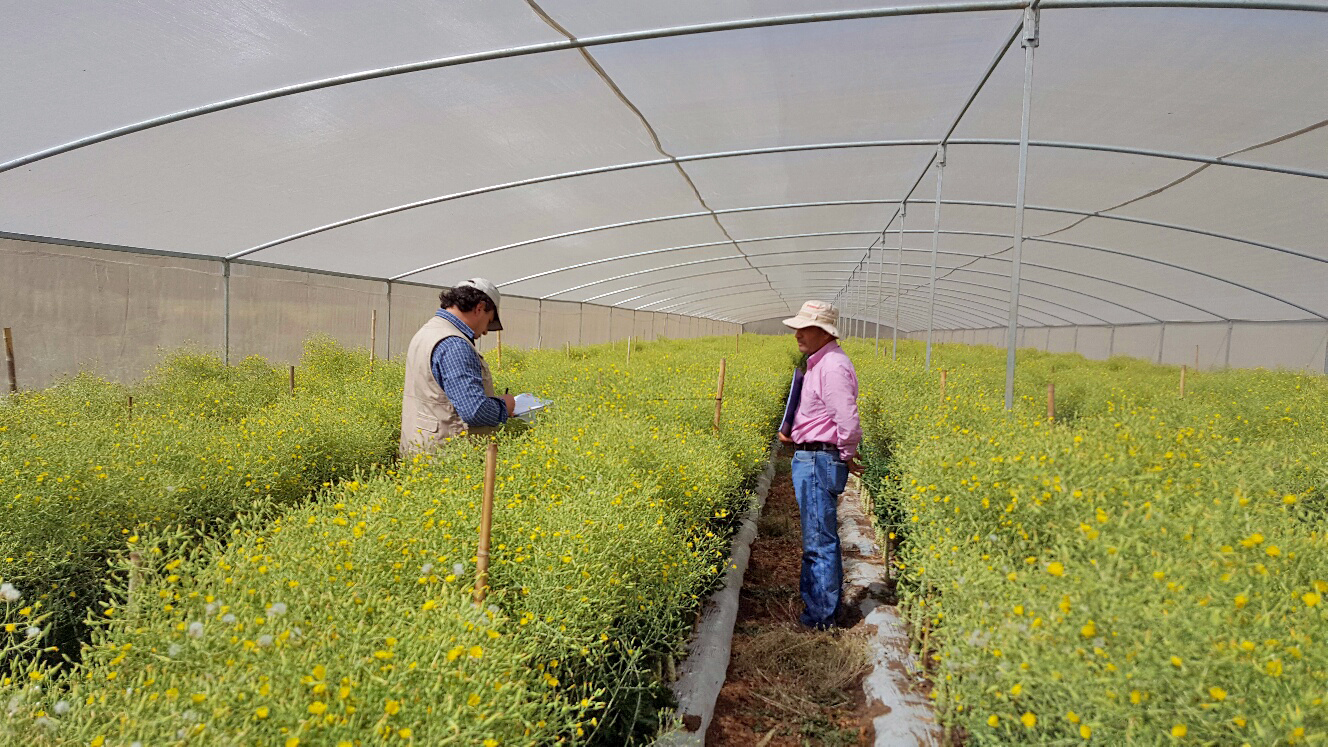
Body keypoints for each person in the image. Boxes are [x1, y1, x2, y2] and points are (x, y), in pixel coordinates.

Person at [777, 300, 863, 630]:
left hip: (817, 460)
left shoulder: (832, 367)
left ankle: (821, 619)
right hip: (811, 456)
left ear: (824, 332)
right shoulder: (820, 364)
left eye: (804, 327)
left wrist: (844, 453)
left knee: (820, 542)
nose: (797, 333)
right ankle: (817, 609)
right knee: (816, 539)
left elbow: (848, 421)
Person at [400, 278, 516, 456]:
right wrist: (504, 406)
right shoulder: (455, 344)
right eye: (489, 320)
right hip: (445, 456)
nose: (485, 331)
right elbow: (474, 411)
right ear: (479, 308)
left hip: (420, 444)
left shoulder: (428, 330)